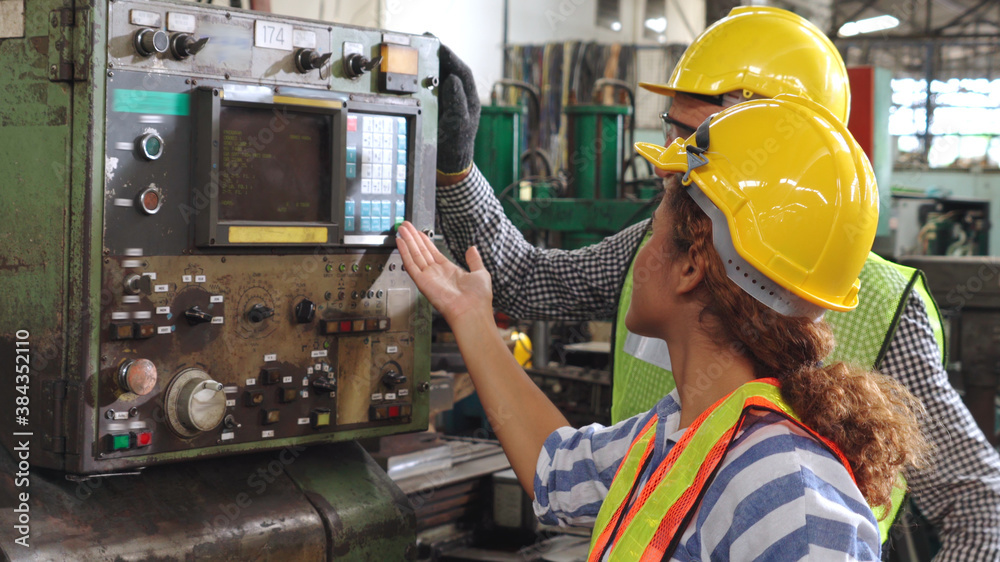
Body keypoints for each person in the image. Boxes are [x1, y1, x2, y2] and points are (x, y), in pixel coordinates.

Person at [434, 7, 1000, 559]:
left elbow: (978, 504)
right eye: (670, 130)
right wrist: (456, 172)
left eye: (692, 137)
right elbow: (528, 288)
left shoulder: (797, 505)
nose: (665, 165)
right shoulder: (666, 432)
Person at [401, 96, 927, 560]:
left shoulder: (793, 501)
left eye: (653, 232)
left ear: (691, 266)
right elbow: (555, 472)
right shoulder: (680, 432)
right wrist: (470, 314)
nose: (639, 252)